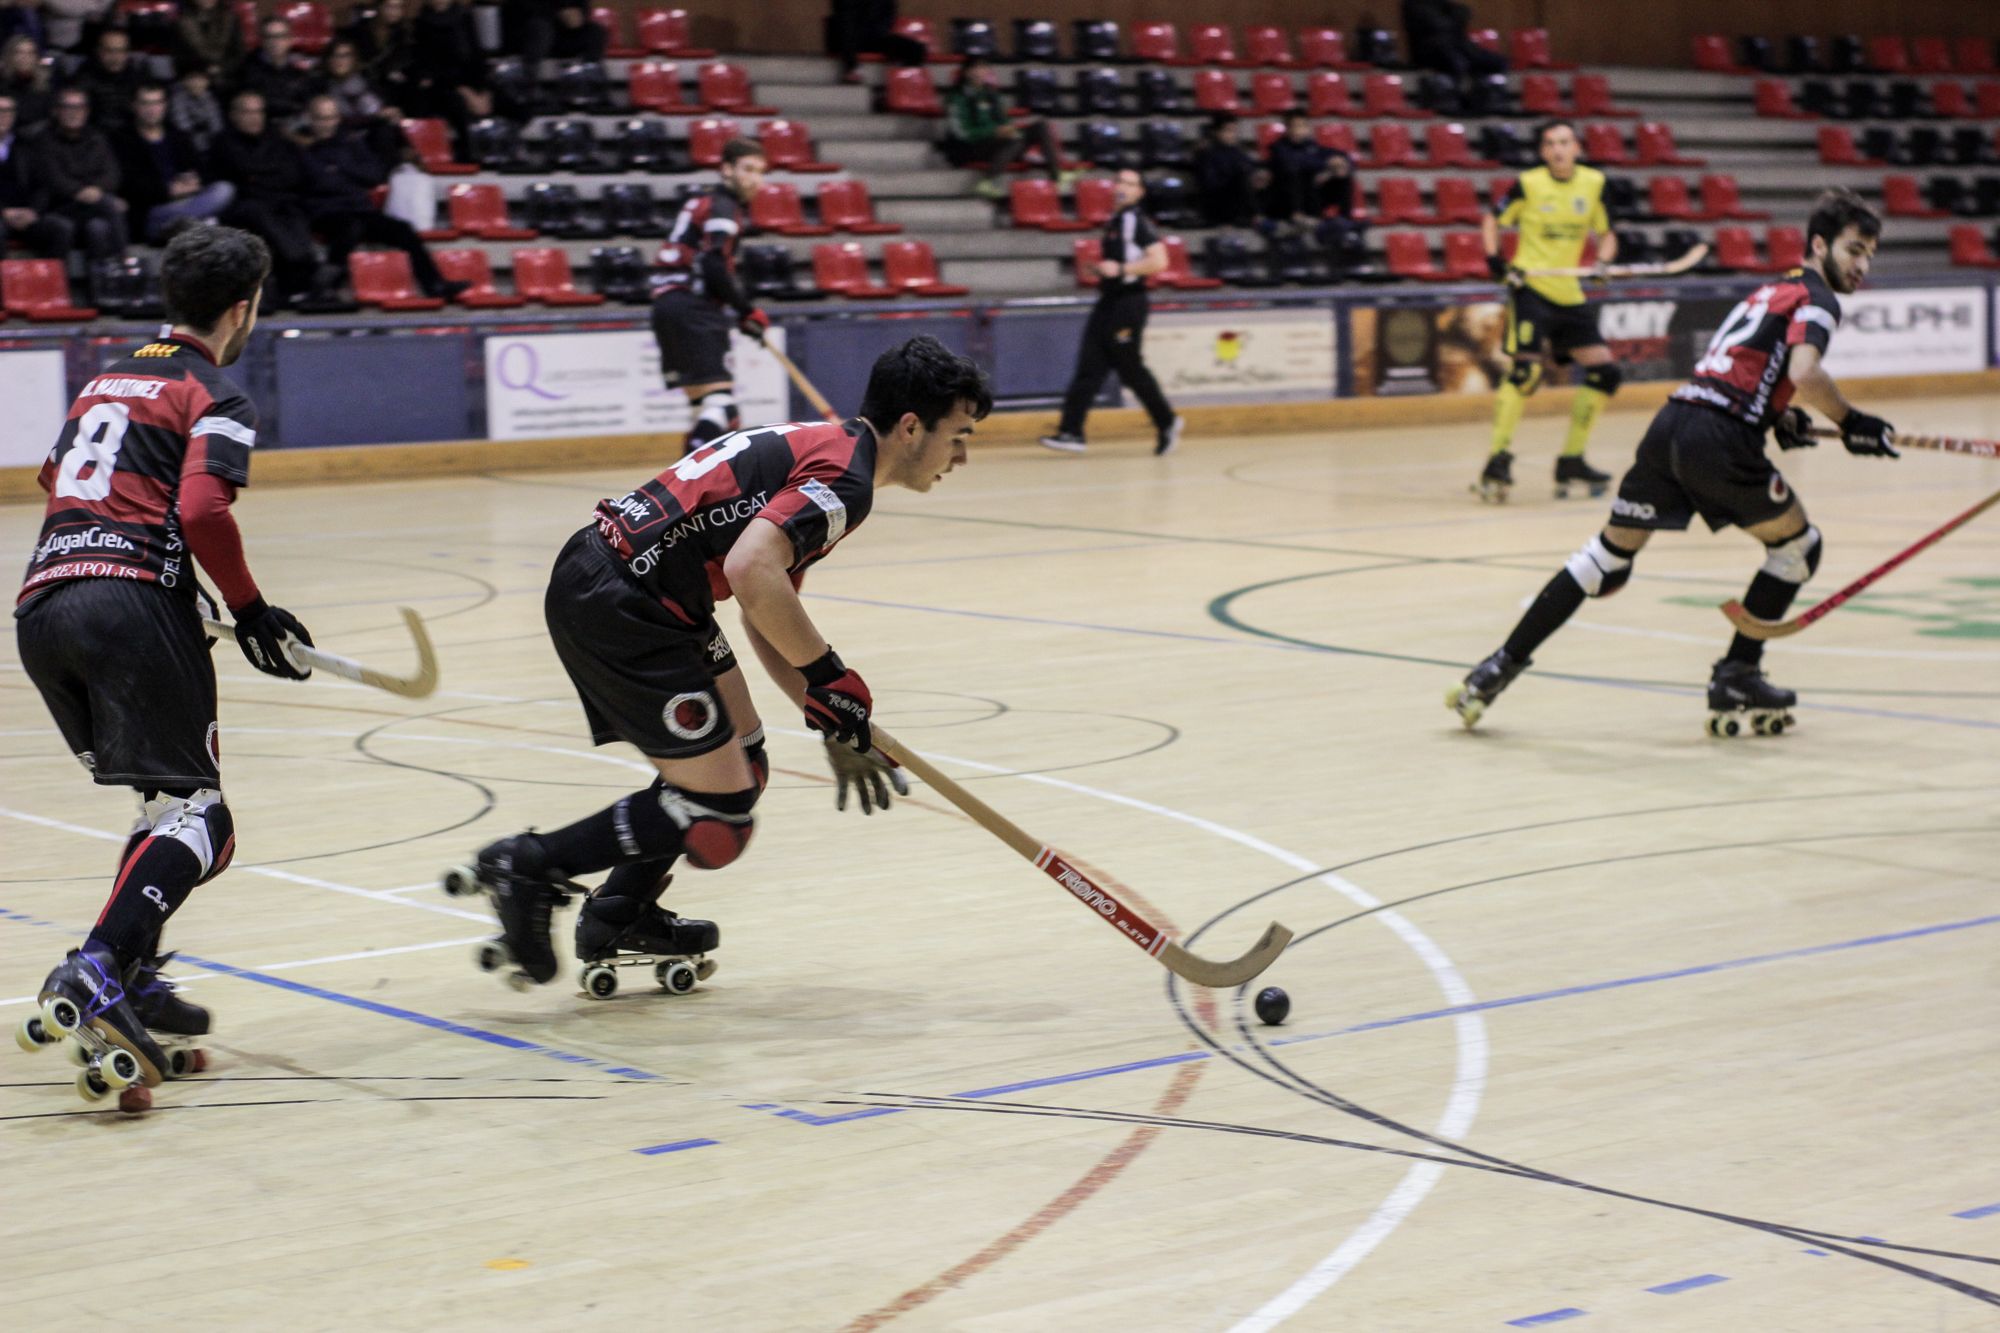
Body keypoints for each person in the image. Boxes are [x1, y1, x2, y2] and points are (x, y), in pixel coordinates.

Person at [444, 335, 992, 992]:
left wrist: (828, 718)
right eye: (957, 435)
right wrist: (829, 678)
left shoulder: (832, 449)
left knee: (745, 759)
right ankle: (528, 863)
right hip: (626, 601)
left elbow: (767, 602)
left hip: (640, 591)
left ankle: (620, 912)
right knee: (721, 809)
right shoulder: (846, 480)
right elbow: (751, 570)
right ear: (911, 426)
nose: (962, 454)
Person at [14, 225, 315, 1110]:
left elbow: (55, 479)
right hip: (127, 606)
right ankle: (101, 966)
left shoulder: (107, 376)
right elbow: (202, 507)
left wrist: (165, 570)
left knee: (160, 805)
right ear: (243, 308)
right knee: (203, 820)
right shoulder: (213, 390)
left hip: (44, 606)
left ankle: (132, 977)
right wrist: (250, 607)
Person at [1447, 190, 1898, 736]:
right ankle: (1738, 674)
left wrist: (1779, 418)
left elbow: (1748, 366)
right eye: (1854, 250)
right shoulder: (1820, 299)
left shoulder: (1774, 287)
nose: (1862, 265)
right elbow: (1804, 372)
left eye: (1870, 254)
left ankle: (1495, 669)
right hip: (1720, 437)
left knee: (1606, 559)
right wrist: (1852, 423)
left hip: (1672, 426)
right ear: (1820, 244)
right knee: (1798, 548)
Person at [1475, 119, 1619, 502]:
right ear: (1542, 152)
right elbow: (1493, 219)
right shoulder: (1529, 183)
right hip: (1531, 289)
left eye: (1565, 142)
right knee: (1526, 372)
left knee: (1605, 373)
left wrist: (1602, 264)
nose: (1558, 149)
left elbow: (1607, 234)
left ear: (1577, 147)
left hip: (1568, 292)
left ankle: (1571, 460)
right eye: (1550, 144)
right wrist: (1495, 260)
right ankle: (1497, 459)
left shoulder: (1594, 184)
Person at [1039, 167, 1182, 456]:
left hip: (1128, 304)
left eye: (1130, 183)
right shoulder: (1117, 221)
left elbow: (1159, 260)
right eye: (1119, 181)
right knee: (1089, 367)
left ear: (1139, 192)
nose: (1122, 187)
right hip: (1110, 300)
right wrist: (1106, 270)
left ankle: (1167, 421)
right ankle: (1071, 432)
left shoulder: (1134, 221)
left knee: (1130, 369)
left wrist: (1122, 269)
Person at [649, 137, 769, 456]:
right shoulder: (724, 207)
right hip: (693, 306)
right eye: (747, 169)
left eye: (760, 171)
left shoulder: (704, 202)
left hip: (667, 305)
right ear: (726, 169)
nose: (754, 178)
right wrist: (745, 310)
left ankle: (690, 490)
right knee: (723, 410)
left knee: (702, 408)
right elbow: (713, 262)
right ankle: (686, 486)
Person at [299, 94, 462, 299]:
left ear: (338, 118)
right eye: (321, 118)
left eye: (330, 118)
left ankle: (435, 285)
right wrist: (342, 173)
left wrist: (338, 167)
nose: (326, 124)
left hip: (360, 210)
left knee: (403, 230)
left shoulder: (352, 143)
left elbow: (374, 175)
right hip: (324, 213)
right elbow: (317, 184)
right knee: (349, 228)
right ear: (311, 119)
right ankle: (325, 287)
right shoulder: (302, 149)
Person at [207, 89, 319, 306]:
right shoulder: (222, 142)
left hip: (281, 200)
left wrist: (257, 176)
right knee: (258, 213)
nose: (254, 118)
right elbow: (239, 173)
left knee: (294, 213)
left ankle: (299, 282)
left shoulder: (277, 140)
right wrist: (264, 176)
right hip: (242, 206)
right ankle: (300, 260)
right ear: (234, 115)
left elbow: (292, 175)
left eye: (258, 112)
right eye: (247, 112)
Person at [116, 83, 233, 242]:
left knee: (224, 189)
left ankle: (184, 226)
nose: (152, 109)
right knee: (209, 220)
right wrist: (168, 190)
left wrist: (195, 181)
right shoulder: (123, 139)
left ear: (164, 105)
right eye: (146, 103)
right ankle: (194, 224)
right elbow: (128, 184)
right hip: (153, 210)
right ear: (135, 106)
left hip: (188, 200)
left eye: (157, 102)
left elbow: (203, 170)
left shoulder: (178, 136)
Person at [942, 56, 1064, 200]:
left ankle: (1057, 175)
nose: (980, 72)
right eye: (975, 68)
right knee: (1016, 141)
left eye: (983, 68)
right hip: (969, 146)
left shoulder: (991, 94)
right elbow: (962, 133)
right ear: (966, 72)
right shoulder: (956, 97)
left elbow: (1004, 120)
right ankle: (988, 181)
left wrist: (1008, 130)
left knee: (1040, 126)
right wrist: (994, 132)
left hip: (996, 142)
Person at [30, 86, 128, 260]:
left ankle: (100, 284)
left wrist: (96, 190)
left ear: (87, 111)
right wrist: (81, 191)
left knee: (98, 228)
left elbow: (112, 173)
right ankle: (125, 263)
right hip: (57, 207)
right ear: (56, 111)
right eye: (68, 107)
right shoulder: (44, 140)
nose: (74, 113)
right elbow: (53, 179)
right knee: (109, 205)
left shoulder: (97, 138)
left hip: (92, 207)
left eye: (79, 107)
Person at [1, 93, 73, 255]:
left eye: (8, 111)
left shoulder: (27, 145)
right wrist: (4, 212)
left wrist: (33, 211)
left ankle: (52, 280)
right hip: (2, 216)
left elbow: (43, 184)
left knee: (61, 228)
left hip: (27, 215)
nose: (4, 116)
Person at [1401, 0, 1507, 101]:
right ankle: (1455, 98)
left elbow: (1461, 13)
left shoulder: (1438, 3)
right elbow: (1436, 24)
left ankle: (1482, 95)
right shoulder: (1413, 3)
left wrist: (1454, 18)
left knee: (1496, 61)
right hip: (1428, 51)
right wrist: (1454, 20)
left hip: (1454, 44)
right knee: (1456, 61)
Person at [234, 15, 317, 128]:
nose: (275, 42)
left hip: (295, 129)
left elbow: (310, 106)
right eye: (270, 37)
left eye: (280, 36)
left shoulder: (301, 71)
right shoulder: (246, 70)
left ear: (289, 40)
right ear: (262, 40)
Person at [66, 26, 142, 135]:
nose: (115, 57)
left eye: (121, 51)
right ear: (99, 51)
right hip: (95, 139)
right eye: (109, 51)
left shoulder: (137, 78)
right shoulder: (82, 80)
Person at [1191, 113, 1260, 229]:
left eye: (1234, 131)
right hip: (1218, 202)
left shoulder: (1237, 152)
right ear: (1216, 132)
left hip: (1239, 200)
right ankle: (1255, 216)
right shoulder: (1207, 154)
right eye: (1228, 131)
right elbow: (1209, 184)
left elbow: (1251, 168)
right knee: (1241, 178)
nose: (1232, 135)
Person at [1263, 111, 1331, 228]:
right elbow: (1289, 162)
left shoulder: (1312, 146)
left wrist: (1326, 171)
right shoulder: (1278, 147)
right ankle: (1296, 215)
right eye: (1295, 126)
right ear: (1287, 129)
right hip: (1282, 200)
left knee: (1338, 174)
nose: (1298, 130)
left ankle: (1342, 218)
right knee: (1293, 172)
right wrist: (1314, 163)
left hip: (1307, 194)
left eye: (1302, 126)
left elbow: (1330, 159)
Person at [173, 0, 246, 84]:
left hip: (230, 74)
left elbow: (238, 52)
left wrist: (221, 67)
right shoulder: (180, 22)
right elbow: (180, 57)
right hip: (195, 77)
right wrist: (204, 69)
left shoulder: (230, 18)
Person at [2, 32, 52, 129]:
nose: (25, 57)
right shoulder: (2, 86)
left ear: (36, 58)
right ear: (10, 56)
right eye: (19, 52)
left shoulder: (45, 89)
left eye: (30, 53)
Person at [170, 68, 225, 154]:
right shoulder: (178, 98)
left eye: (201, 79)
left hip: (211, 146)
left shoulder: (211, 98)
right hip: (186, 148)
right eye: (192, 79)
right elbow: (182, 126)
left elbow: (217, 126)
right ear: (184, 81)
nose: (196, 83)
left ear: (207, 81)